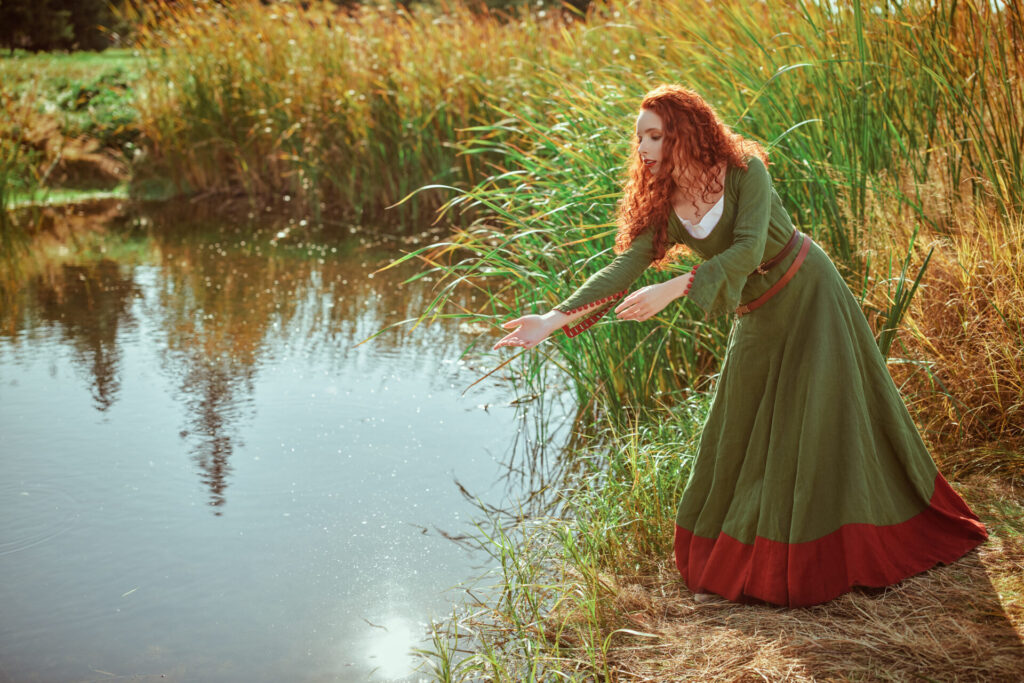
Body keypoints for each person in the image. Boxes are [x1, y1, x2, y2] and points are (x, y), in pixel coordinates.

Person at [491, 84, 988, 608]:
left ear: (684, 134)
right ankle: (746, 550)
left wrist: (676, 285)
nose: (643, 148)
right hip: (757, 311)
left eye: (654, 136)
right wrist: (551, 319)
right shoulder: (664, 202)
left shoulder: (746, 169)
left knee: (824, 416)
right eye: (639, 138)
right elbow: (624, 267)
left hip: (808, 289)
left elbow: (751, 247)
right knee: (736, 425)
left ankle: (849, 542)